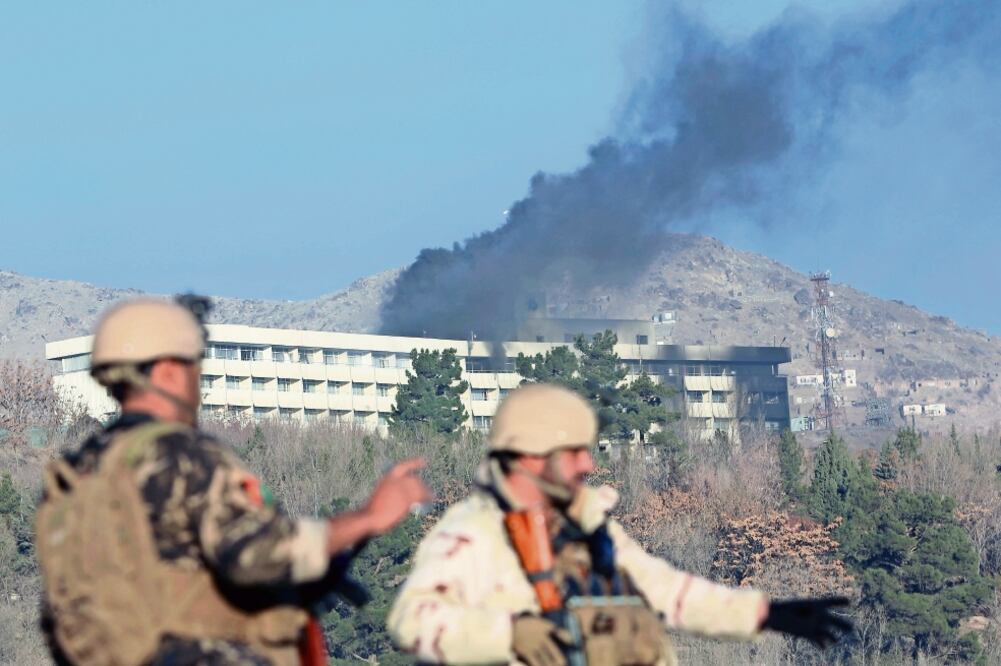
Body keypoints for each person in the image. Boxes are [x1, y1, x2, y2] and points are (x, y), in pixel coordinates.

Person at [36, 297, 431, 666]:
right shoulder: (179, 455)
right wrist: (369, 518)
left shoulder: (80, 469)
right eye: (195, 364)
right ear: (169, 371)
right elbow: (260, 556)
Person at [388, 383, 850, 666]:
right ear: (529, 456)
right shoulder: (472, 534)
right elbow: (412, 622)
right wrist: (510, 634)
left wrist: (765, 614)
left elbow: (668, 593)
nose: (588, 462)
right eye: (573, 451)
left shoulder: (589, 526)